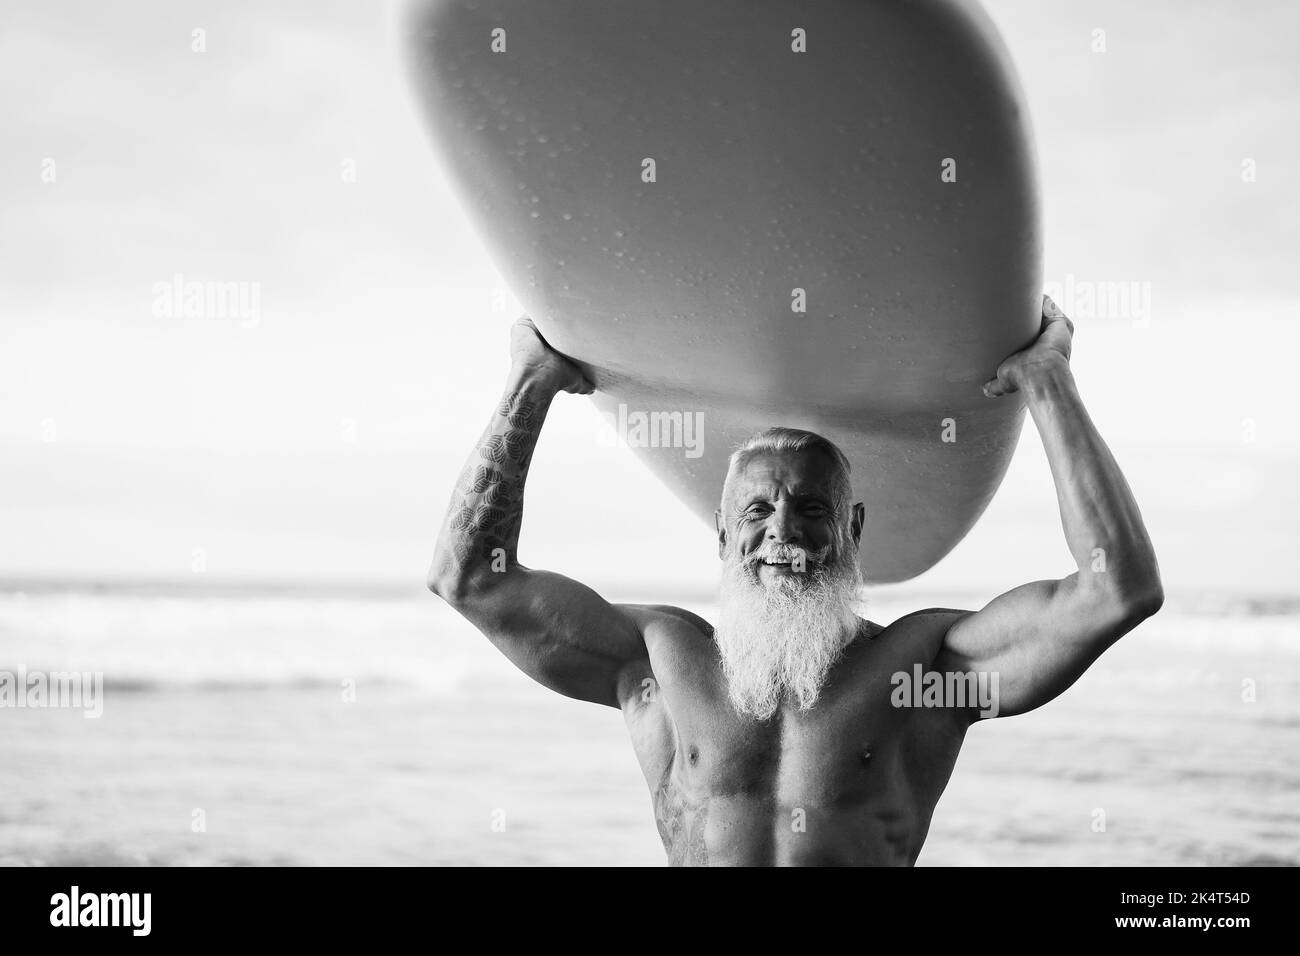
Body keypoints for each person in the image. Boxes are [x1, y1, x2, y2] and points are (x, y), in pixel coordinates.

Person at [426, 295, 1163, 866]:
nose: (784, 532)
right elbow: (468, 577)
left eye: (813, 508)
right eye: (758, 510)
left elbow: (1116, 590)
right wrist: (533, 383)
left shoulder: (926, 669)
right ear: (722, 534)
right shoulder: (656, 660)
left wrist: (1048, 381)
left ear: (853, 530)